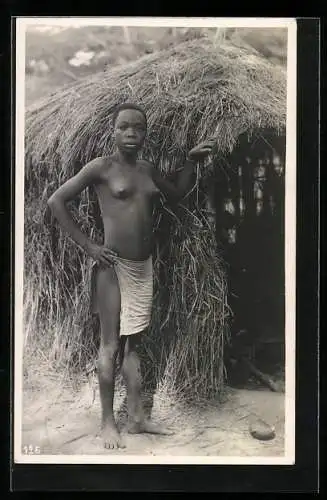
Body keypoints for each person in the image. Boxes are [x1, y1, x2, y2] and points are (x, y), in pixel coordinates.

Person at [48, 102, 214, 449]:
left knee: (133, 346)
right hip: (113, 266)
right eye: (124, 126)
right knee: (109, 346)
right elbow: (56, 201)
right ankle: (108, 424)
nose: (131, 133)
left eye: (137, 127)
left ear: (145, 134)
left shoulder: (148, 170)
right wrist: (90, 246)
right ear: (113, 131)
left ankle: (137, 418)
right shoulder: (101, 168)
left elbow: (178, 194)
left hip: (143, 266)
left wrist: (191, 161)